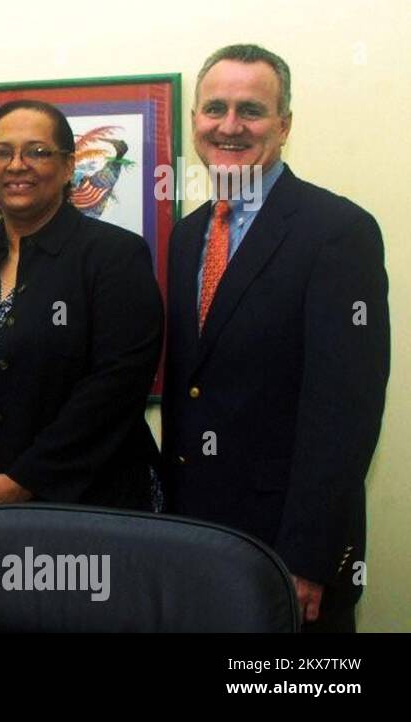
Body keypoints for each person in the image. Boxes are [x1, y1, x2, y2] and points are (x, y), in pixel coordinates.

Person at [162, 44, 389, 632]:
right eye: (214, 108)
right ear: (194, 123)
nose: (230, 126)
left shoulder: (338, 232)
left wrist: (308, 558)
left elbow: (346, 411)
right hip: (197, 541)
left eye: (251, 111)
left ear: (284, 124)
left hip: (286, 553)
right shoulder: (186, 236)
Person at [0, 100, 163, 553]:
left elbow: (115, 389)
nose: (16, 165)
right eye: (2, 152)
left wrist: (24, 480)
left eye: (37, 151)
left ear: (67, 167)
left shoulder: (113, 258)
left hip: (78, 523)